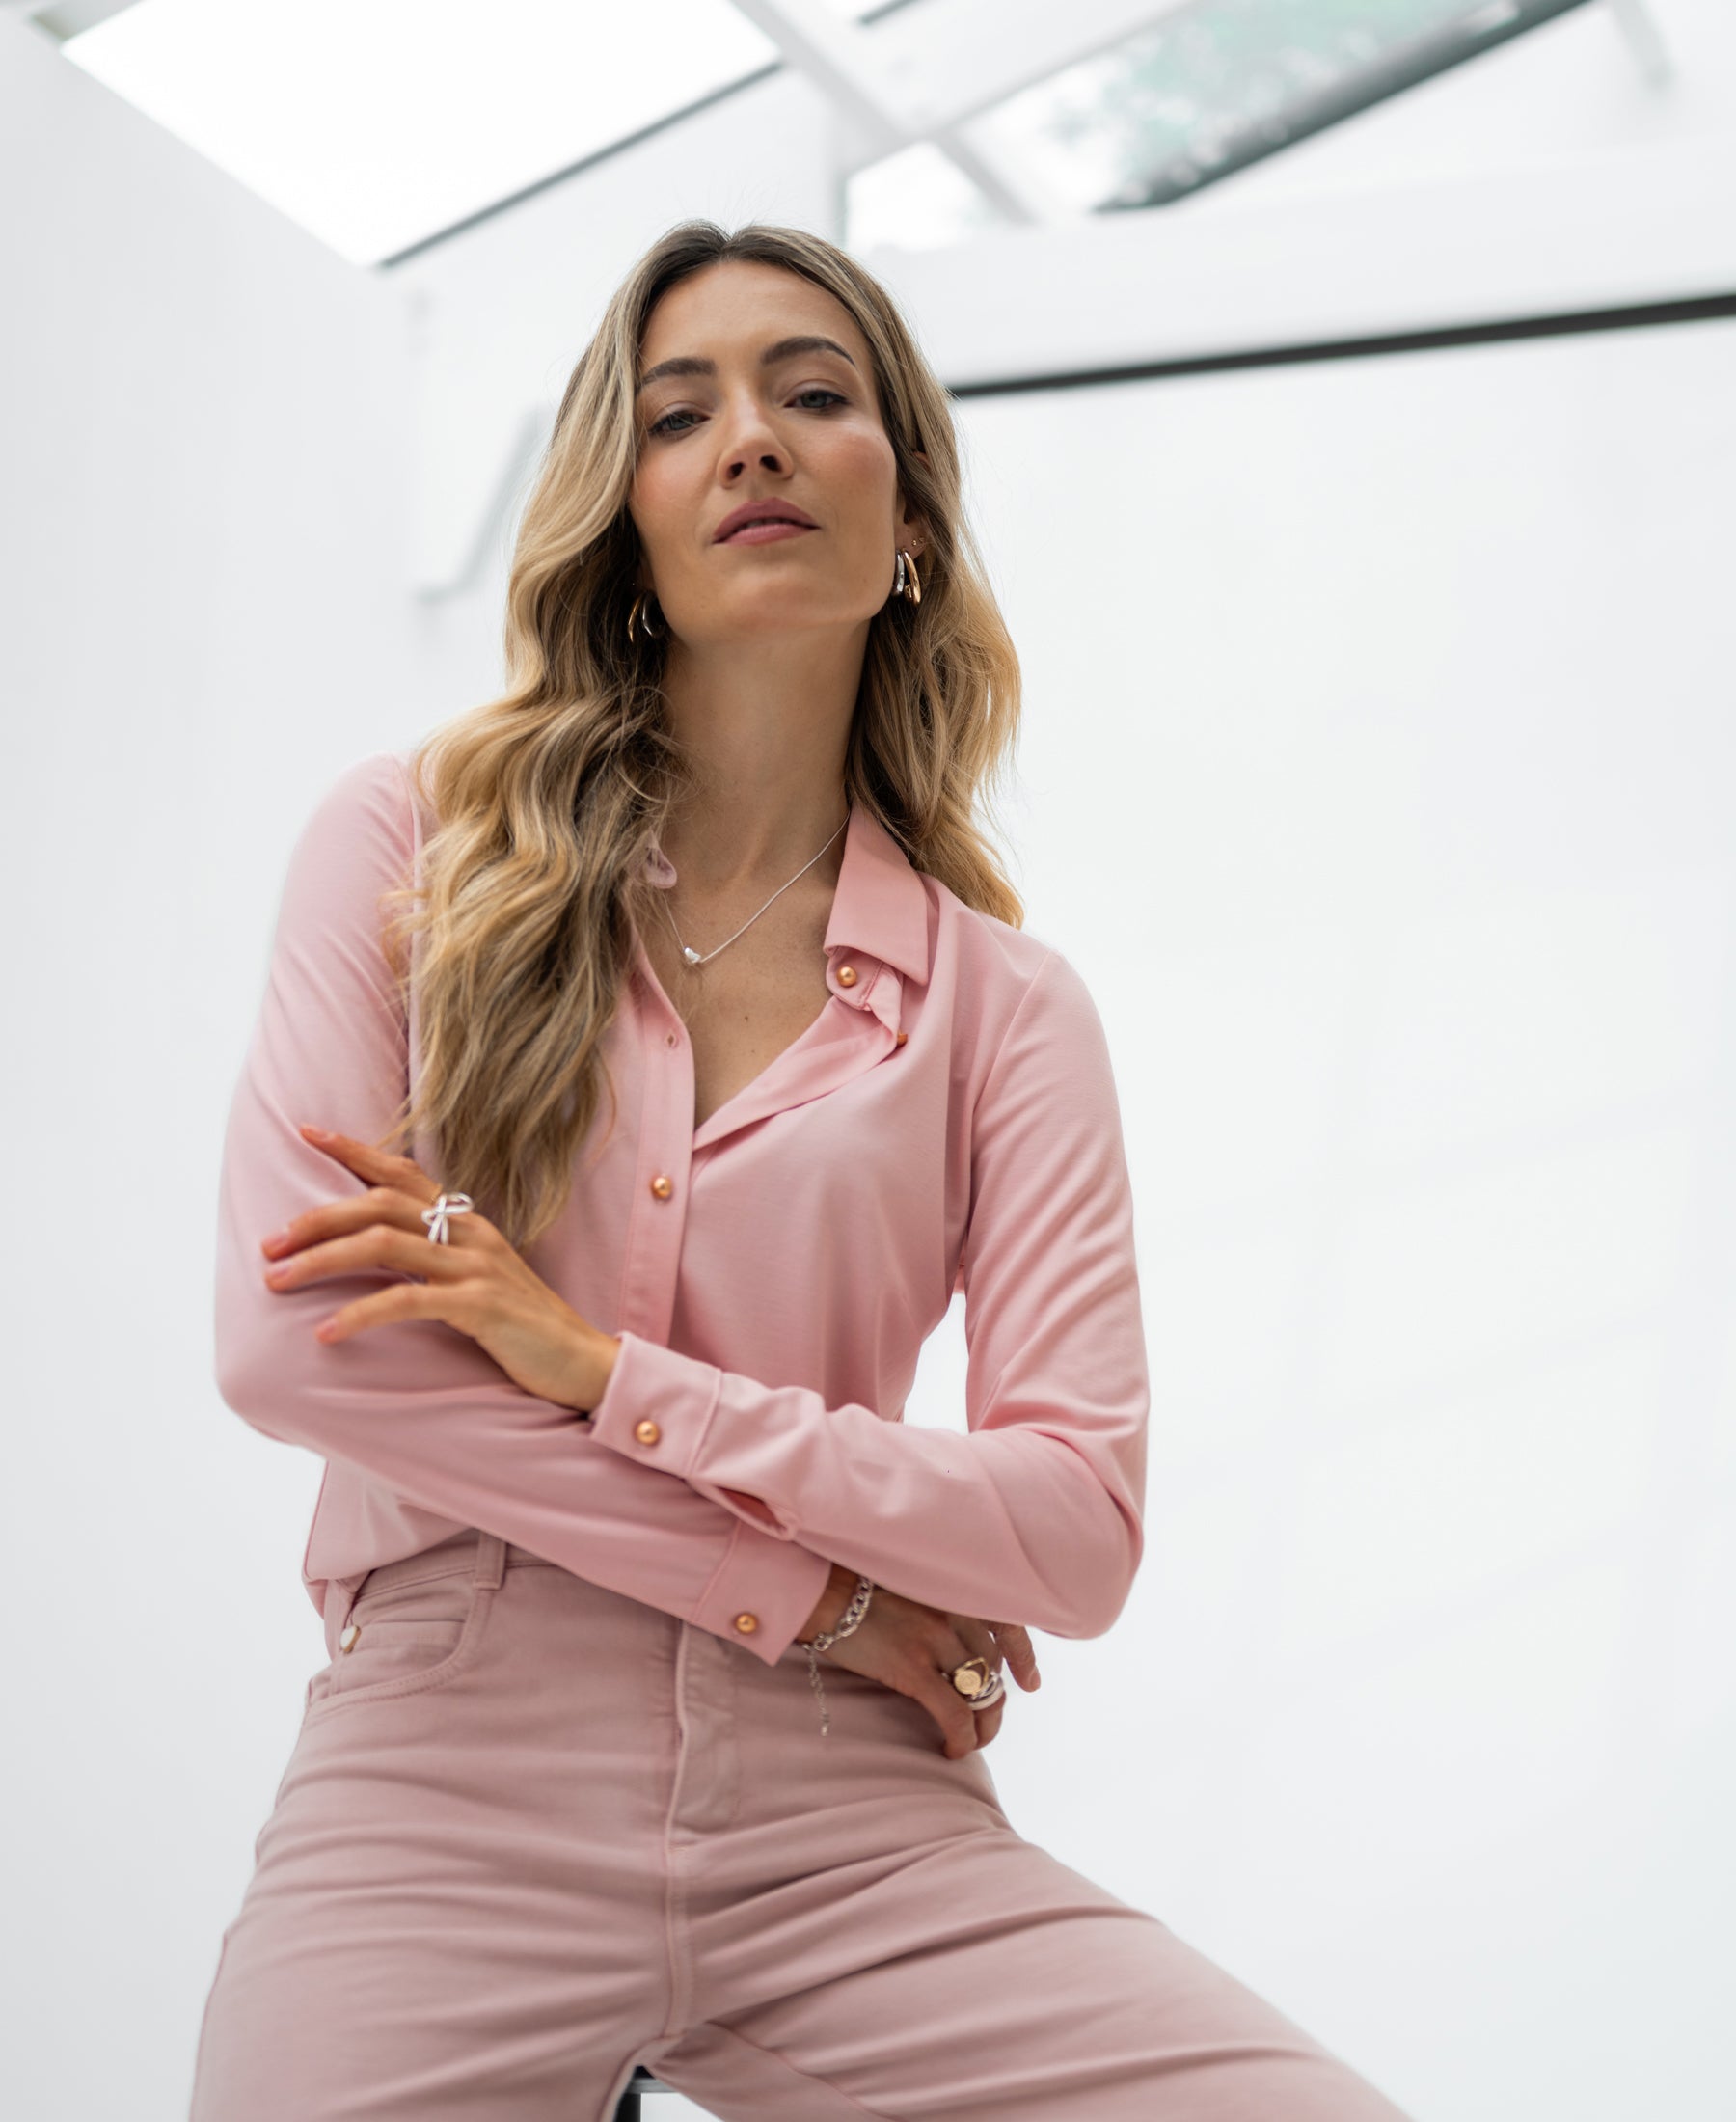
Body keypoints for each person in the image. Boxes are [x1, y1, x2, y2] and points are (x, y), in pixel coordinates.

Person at [189, 218, 1412, 2121]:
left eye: (814, 395)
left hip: (848, 1804)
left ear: (908, 512)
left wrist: (604, 1369)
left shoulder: (1005, 1011)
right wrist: (821, 1588)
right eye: (682, 414)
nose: (750, 437)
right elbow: (301, 1355)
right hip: (448, 1773)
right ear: (631, 518)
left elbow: (1075, 1521)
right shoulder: (406, 849)